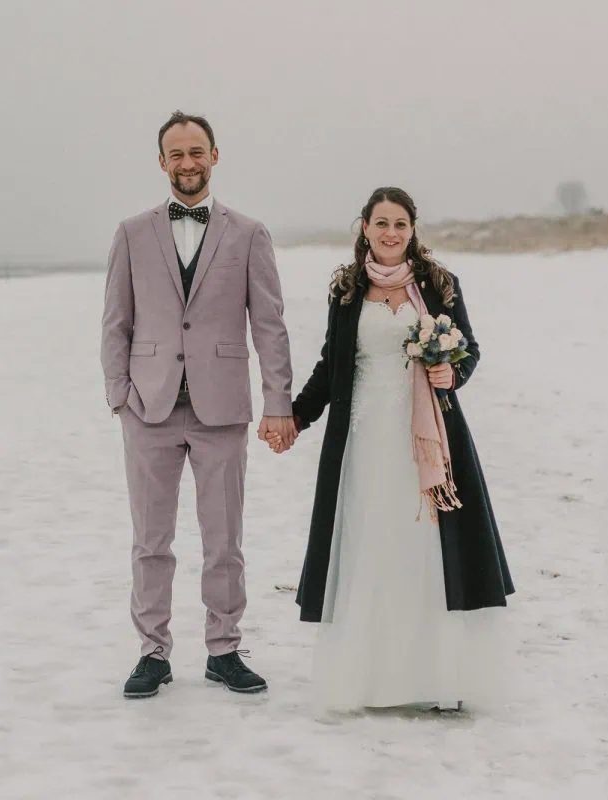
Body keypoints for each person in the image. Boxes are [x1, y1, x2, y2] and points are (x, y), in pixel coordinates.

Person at [270, 187, 514, 712]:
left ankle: (437, 677)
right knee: (371, 542)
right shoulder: (346, 290)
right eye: (381, 223)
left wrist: (454, 371)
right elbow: (331, 365)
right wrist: (295, 415)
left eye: (400, 224)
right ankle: (371, 679)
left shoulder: (438, 284)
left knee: (426, 546)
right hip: (365, 439)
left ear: (412, 229)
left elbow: (467, 348)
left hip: (427, 437)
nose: (391, 233)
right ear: (364, 227)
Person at [101, 110, 297, 698]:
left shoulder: (249, 233)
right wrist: (120, 397)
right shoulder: (132, 233)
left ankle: (224, 648)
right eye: (176, 154)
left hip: (222, 409)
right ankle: (153, 651)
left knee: (224, 540)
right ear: (162, 162)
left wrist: (277, 402)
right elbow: (116, 322)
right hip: (149, 407)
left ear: (214, 155)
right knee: (151, 540)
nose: (187, 163)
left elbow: (270, 324)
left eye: (197, 152)